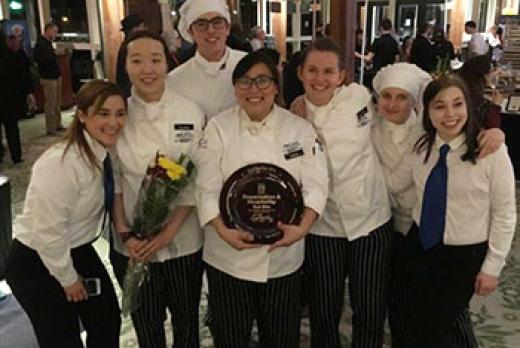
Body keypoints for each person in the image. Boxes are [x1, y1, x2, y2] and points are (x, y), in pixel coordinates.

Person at [195, 51, 328, 348]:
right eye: (244, 81)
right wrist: (221, 229)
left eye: (262, 81)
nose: (253, 89)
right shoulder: (218, 128)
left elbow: (317, 184)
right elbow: (206, 185)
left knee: (280, 338)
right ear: (234, 87)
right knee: (231, 337)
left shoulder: (299, 129)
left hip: (283, 257)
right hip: (227, 257)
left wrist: (303, 228)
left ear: (276, 86)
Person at [386, 75, 516, 347]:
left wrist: (493, 266)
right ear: (427, 111)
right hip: (420, 244)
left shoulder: (490, 151)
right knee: (411, 318)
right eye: (439, 106)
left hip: (463, 255)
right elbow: (394, 182)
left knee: (434, 328)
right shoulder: (422, 147)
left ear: (468, 107)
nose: (450, 114)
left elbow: (505, 214)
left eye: (457, 104)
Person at [5, 80, 126, 347]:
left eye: (120, 113)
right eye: (103, 113)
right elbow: (48, 231)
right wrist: (67, 278)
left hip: (78, 248)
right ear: (82, 115)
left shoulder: (104, 153)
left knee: (106, 320)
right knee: (61, 337)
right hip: (36, 258)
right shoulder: (62, 162)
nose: (113, 122)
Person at [294, 37, 393, 348]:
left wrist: (487, 128)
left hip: (371, 219)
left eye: (328, 72)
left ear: (341, 76)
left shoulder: (359, 96)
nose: (320, 79)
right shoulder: (293, 117)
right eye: (312, 70)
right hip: (324, 226)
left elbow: (409, 103)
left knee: (370, 306)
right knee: (324, 308)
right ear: (301, 74)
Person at [112, 31, 205, 348]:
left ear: (168, 63)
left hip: (184, 240)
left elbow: (196, 179)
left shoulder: (190, 112)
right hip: (133, 244)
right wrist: (125, 232)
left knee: (186, 322)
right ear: (125, 66)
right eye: (137, 60)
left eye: (155, 59)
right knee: (147, 324)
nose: (147, 69)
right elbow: (114, 181)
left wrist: (166, 236)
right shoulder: (117, 113)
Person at [168, 0, 247, 120]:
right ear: (190, 32)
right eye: (201, 24)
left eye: (217, 22)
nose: (210, 30)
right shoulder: (175, 80)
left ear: (227, 28)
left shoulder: (249, 66)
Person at [0, 28, 33, 164]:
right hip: (9, 97)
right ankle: (16, 155)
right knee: (11, 127)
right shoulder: (11, 55)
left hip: (7, 95)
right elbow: (22, 75)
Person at [33, 22, 63, 136]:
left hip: (55, 76)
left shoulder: (49, 43)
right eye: (54, 31)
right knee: (50, 103)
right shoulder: (40, 44)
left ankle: (58, 124)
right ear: (48, 30)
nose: (55, 34)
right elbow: (40, 60)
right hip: (48, 77)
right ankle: (51, 128)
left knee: (57, 103)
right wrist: (54, 55)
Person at [459, 55, 503, 129]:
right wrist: (495, 105)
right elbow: (492, 127)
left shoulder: (460, 88)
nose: (494, 74)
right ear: (484, 75)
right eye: (492, 71)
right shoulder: (477, 99)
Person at [115, 14, 147, 97]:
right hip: (131, 91)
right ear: (133, 29)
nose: (145, 29)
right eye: (141, 26)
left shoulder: (128, 45)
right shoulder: (129, 47)